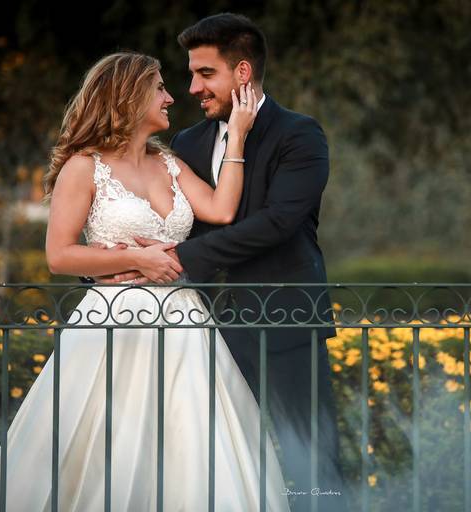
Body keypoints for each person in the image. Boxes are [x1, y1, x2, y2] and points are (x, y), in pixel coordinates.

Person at [0, 52, 290, 511]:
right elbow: (59, 255)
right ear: (129, 96)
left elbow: (222, 209)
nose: (171, 98)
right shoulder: (83, 167)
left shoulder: (169, 164)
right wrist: (136, 258)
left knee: (189, 440)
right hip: (113, 323)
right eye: (160, 89)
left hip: (184, 324)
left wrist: (239, 135)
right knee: (103, 441)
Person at [110, 14, 346, 511]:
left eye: (205, 74)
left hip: (286, 322)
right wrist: (126, 257)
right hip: (203, 330)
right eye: (191, 75)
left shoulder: (300, 135)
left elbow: (277, 223)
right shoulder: (187, 143)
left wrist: (179, 257)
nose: (192, 88)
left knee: (312, 461)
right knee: (212, 463)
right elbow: (177, 221)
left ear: (242, 72)